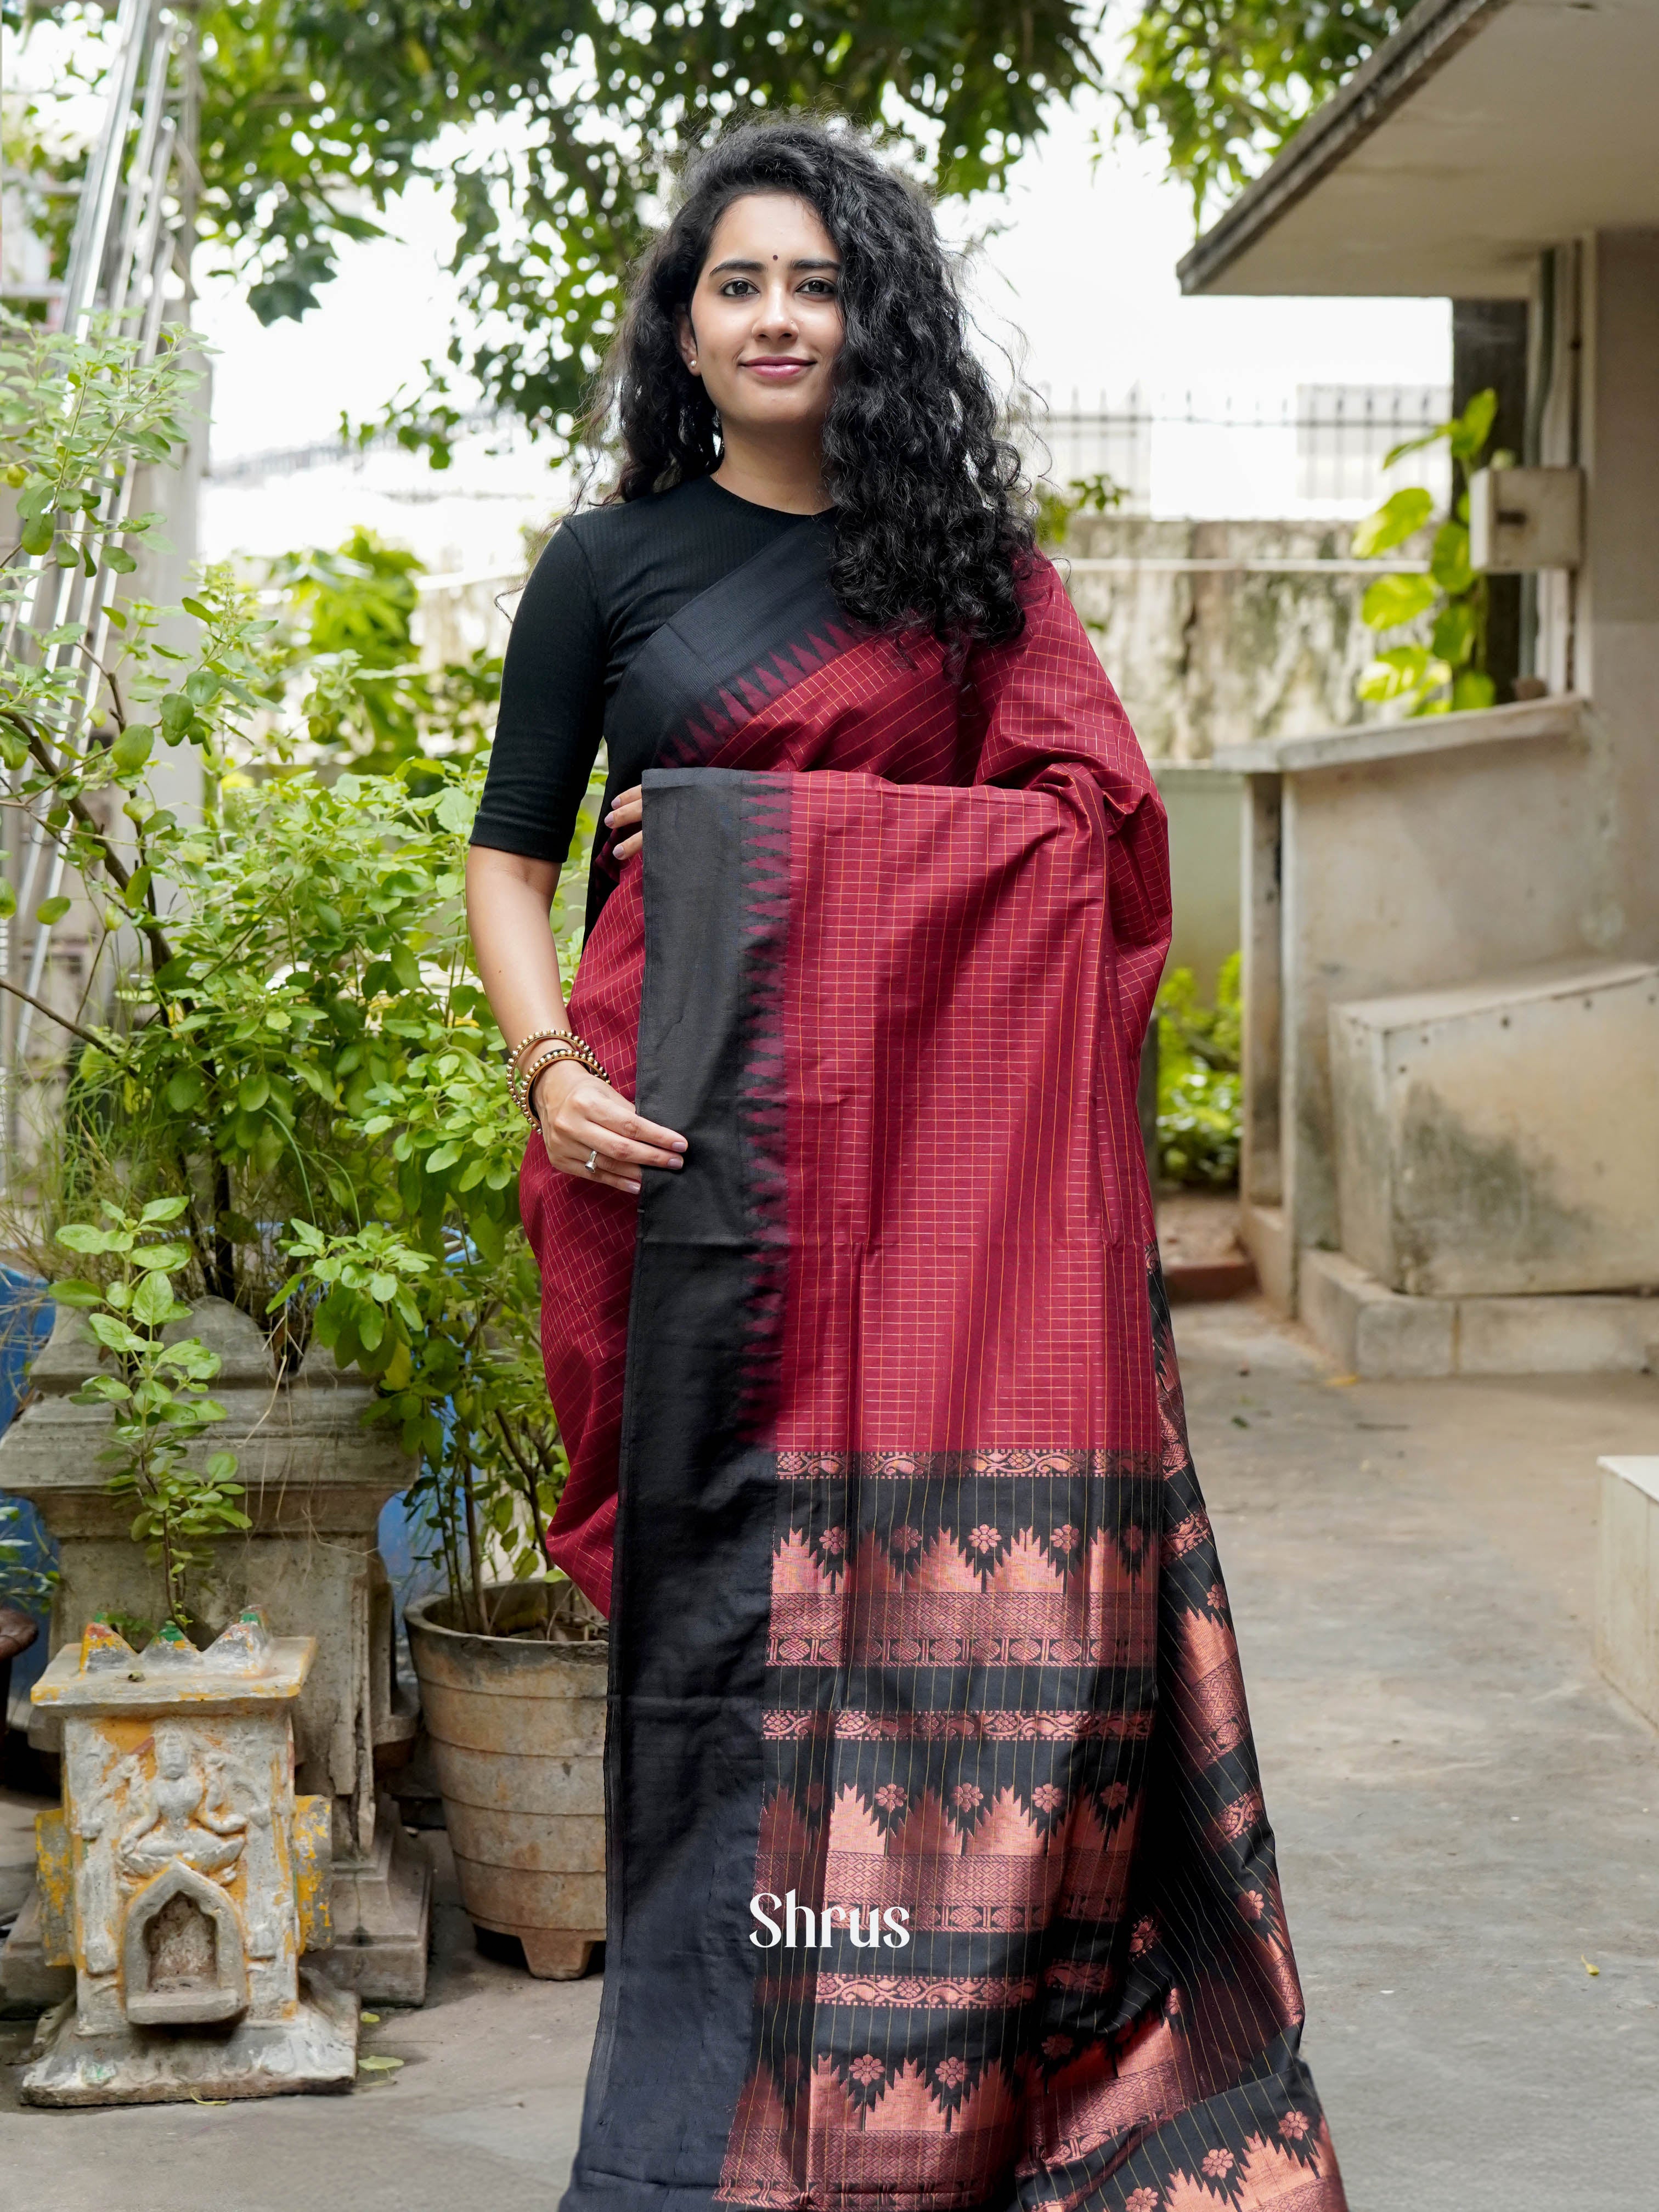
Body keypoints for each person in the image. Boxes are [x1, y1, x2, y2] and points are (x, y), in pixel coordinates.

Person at [467, 116, 1346, 2212]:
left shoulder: (969, 576)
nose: (780, 317)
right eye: (739, 283)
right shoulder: (611, 568)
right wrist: (534, 1065)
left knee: (971, 1650)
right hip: (679, 1180)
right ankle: (708, 2131)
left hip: (937, 1240)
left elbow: (1087, 854)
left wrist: (757, 850)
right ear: (684, 326)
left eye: (820, 284)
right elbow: (510, 857)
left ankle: (949, 2110)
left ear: (876, 320)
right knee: (732, 1647)